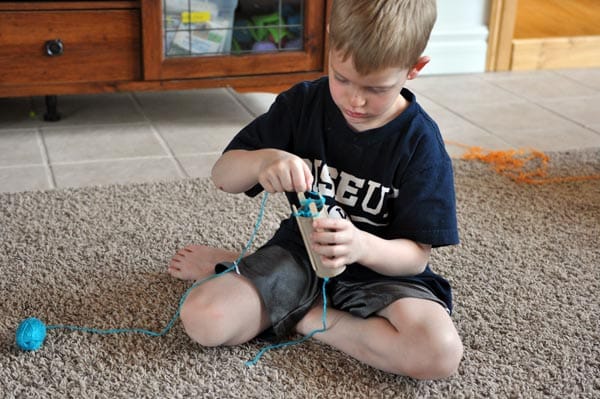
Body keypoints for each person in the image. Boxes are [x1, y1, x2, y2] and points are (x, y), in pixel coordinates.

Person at [168, 0, 463, 380]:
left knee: (438, 354)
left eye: (376, 88)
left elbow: (415, 260)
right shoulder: (303, 104)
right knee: (203, 319)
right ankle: (273, 286)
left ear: (414, 69)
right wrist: (263, 161)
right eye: (342, 78)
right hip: (300, 253)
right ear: (329, 46)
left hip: (383, 271)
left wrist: (360, 245)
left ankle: (301, 314)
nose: (354, 101)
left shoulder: (420, 143)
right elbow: (223, 176)